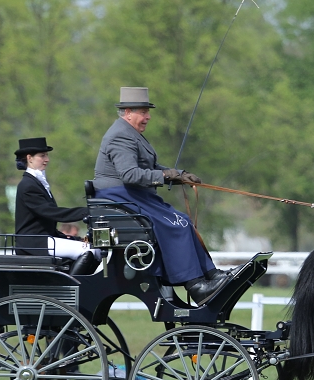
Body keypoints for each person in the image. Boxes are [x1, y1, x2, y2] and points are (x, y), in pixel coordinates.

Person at [94, 87, 227, 304]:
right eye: (143, 112)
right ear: (128, 112)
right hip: (120, 197)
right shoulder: (120, 136)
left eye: (147, 112)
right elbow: (129, 174)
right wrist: (166, 175)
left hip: (133, 195)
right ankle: (195, 285)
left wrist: (179, 175)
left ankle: (210, 275)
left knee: (183, 220)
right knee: (177, 224)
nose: (148, 117)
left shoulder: (131, 134)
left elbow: (151, 167)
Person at [14, 137, 99, 274]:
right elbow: (52, 213)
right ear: (29, 158)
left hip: (44, 239)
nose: (47, 159)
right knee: (89, 251)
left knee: (93, 249)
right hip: (35, 243)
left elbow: (45, 221)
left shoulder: (36, 183)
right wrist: (87, 212)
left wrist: (66, 237)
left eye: (46, 155)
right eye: (42, 156)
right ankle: (72, 289)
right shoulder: (28, 186)